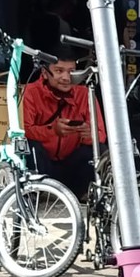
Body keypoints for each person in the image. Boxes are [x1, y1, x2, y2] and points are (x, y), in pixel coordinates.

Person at [23, 48, 104, 199]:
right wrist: (52, 130)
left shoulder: (84, 93)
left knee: (95, 149)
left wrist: (88, 135)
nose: (66, 77)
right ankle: (37, 192)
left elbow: (101, 135)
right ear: (45, 72)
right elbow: (25, 131)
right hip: (43, 164)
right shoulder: (30, 92)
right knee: (29, 145)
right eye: (59, 71)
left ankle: (83, 193)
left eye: (71, 71)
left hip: (71, 166)